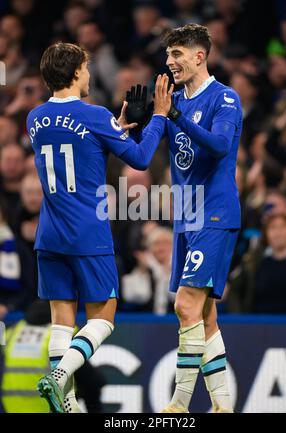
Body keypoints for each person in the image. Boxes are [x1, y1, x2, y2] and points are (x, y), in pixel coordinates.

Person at [26, 42, 173, 413]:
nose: (90, 75)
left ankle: (70, 406)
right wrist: (159, 117)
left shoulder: (34, 118)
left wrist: (113, 132)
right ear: (76, 72)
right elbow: (139, 158)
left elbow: (76, 147)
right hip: (87, 233)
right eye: (87, 69)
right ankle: (59, 379)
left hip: (50, 233)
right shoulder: (94, 116)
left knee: (62, 319)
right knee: (104, 318)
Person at [126, 24, 243, 413]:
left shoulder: (225, 98)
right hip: (186, 217)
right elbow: (143, 157)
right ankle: (222, 406)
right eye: (168, 54)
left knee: (184, 307)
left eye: (177, 54)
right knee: (205, 316)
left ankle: (178, 403)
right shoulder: (172, 101)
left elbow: (219, 146)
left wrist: (176, 115)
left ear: (199, 56)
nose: (169, 61)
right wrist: (137, 124)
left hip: (214, 212)